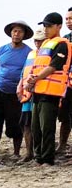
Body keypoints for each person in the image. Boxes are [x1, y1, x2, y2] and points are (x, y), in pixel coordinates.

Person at [25, 12, 72, 166]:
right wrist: (30, 81)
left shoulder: (62, 44)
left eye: (49, 26)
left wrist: (36, 78)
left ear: (58, 27)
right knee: (35, 127)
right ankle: (38, 157)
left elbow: (53, 66)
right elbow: (36, 66)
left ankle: (47, 158)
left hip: (51, 92)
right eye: (44, 25)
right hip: (38, 91)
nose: (45, 28)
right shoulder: (44, 45)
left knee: (47, 128)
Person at [0, 20, 32, 162]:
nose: (17, 34)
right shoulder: (2, 50)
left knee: (16, 121)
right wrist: (1, 81)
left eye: (20, 31)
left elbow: (29, 70)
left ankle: (16, 152)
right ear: (10, 33)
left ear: (24, 35)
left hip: (17, 92)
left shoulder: (28, 52)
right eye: (14, 31)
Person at [16, 29, 47, 163]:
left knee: (39, 124)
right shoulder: (31, 54)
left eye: (40, 40)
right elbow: (24, 72)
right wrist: (20, 86)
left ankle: (39, 152)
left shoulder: (48, 54)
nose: (37, 43)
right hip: (27, 93)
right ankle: (29, 153)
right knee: (26, 123)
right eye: (36, 40)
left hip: (41, 93)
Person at [56, 7, 72, 159]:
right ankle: (62, 145)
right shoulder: (65, 40)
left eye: (71, 18)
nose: (68, 21)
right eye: (66, 19)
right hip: (66, 84)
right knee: (65, 116)